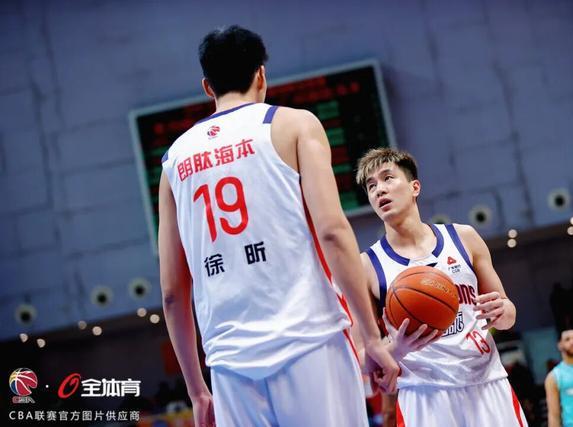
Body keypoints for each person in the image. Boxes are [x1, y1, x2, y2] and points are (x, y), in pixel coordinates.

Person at [158, 26, 399, 427]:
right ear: (261, 75)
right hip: (311, 340)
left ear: (207, 87)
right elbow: (333, 232)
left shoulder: (173, 161)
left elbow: (171, 292)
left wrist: (197, 390)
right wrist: (371, 338)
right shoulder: (295, 125)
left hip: (230, 365)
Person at [354, 147, 527, 427]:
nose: (379, 190)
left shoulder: (465, 238)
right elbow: (360, 357)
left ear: (415, 187)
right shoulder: (366, 266)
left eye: (388, 178)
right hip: (424, 396)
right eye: (371, 186)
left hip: (486, 383)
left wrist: (503, 310)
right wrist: (396, 349)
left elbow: (508, 316)